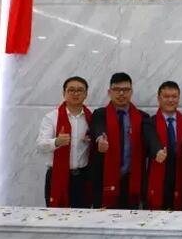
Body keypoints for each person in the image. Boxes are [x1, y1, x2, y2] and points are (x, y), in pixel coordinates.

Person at [90, 72, 164, 209]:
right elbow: (98, 128)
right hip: (104, 178)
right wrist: (100, 139)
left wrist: (157, 150)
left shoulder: (142, 116)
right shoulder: (100, 114)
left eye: (125, 89)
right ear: (109, 92)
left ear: (131, 92)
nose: (121, 93)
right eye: (117, 90)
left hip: (131, 179)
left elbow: (150, 137)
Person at [36, 76, 93, 208]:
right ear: (64, 93)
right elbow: (40, 145)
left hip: (83, 178)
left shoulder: (92, 117)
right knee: (55, 217)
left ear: (85, 94)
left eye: (80, 90)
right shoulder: (52, 117)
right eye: (71, 90)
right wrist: (56, 142)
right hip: (57, 176)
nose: (75, 93)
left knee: (83, 216)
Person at [146, 81, 182, 211]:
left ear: (178, 98)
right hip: (159, 181)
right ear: (159, 99)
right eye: (166, 96)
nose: (170, 100)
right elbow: (151, 139)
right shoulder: (149, 123)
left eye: (174, 96)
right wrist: (157, 151)